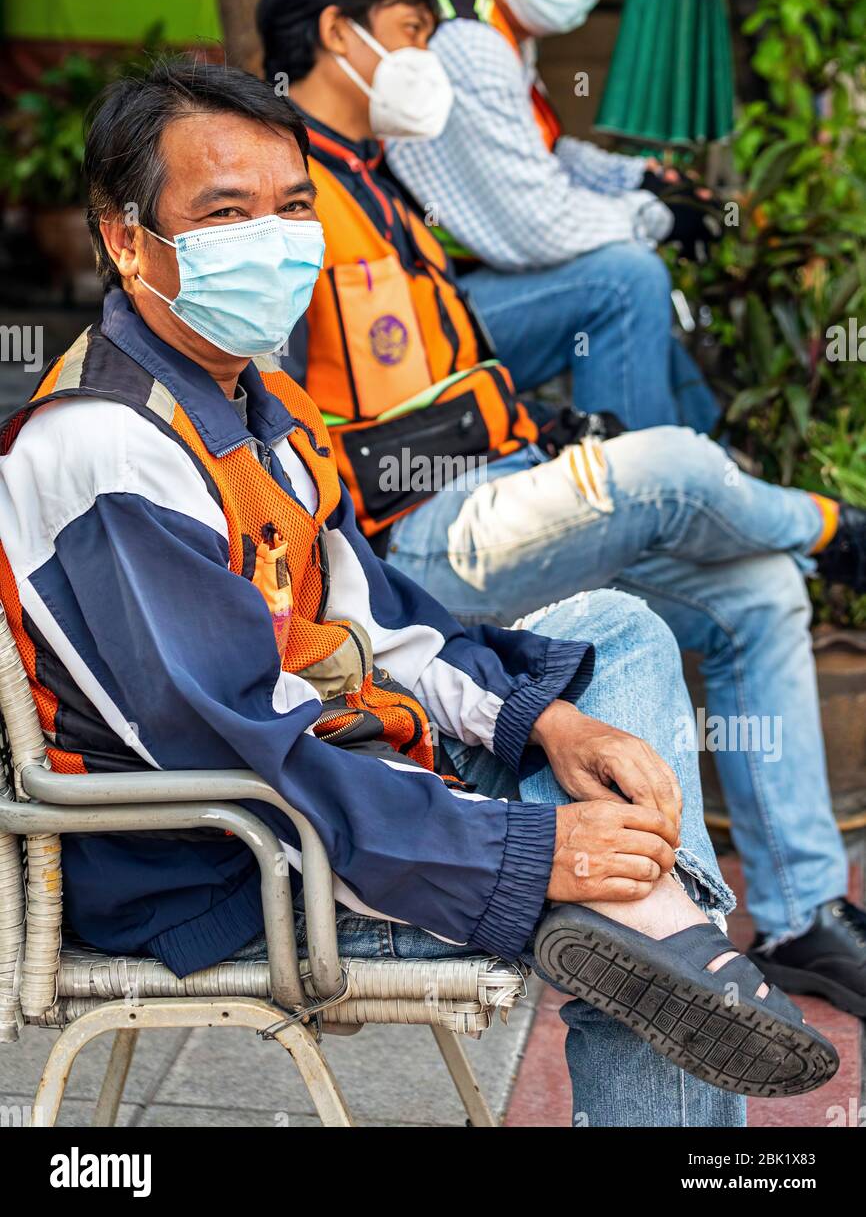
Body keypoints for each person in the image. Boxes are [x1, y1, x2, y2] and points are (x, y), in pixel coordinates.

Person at [0, 59, 837, 1126]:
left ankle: (654, 916)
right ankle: (664, 924)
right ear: (126, 240)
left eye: (293, 206)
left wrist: (552, 721)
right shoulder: (108, 452)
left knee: (615, 632)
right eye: (226, 213)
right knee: (615, 925)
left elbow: (375, 621)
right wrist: (531, 851)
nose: (276, 237)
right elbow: (237, 756)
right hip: (232, 861)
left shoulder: (256, 400)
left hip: (344, 776)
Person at [257, 0, 866, 1019]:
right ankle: (833, 526)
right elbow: (315, 449)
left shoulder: (380, 188)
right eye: (408, 31)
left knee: (752, 592)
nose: (427, 59)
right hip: (411, 549)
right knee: (673, 464)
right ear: (337, 35)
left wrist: (525, 435)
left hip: (485, 504)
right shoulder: (279, 206)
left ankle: (797, 914)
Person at [387, 0, 724, 434]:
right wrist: (655, 216)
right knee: (626, 279)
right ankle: (648, 486)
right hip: (410, 320)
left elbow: (542, 152)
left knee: (628, 279)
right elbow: (538, 224)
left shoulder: (494, 22)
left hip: (456, 288)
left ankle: (705, 451)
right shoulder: (468, 44)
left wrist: (636, 178)